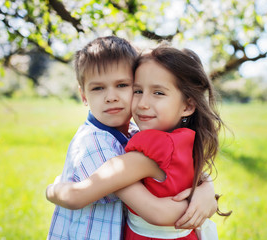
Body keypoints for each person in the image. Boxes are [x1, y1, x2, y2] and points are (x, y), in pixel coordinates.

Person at [47, 42, 226, 240]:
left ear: (187, 106)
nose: (142, 103)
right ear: (83, 95)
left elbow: (76, 196)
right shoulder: (179, 139)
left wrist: (52, 189)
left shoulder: (150, 145)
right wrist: (203, 197)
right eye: (138, 91)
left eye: (123, 86)